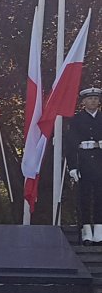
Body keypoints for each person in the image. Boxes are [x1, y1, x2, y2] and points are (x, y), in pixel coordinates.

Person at [66, 86, 102, 244]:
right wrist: (73, 167)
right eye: (90, 99)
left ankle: (99, 232)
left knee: (100, 197)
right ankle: (87, 232)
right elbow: (71, 145)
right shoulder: (76, 120)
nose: (93, 101)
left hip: (100, 161)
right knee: (85, 197)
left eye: (96, 99)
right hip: (84, 163)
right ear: (84, 102)